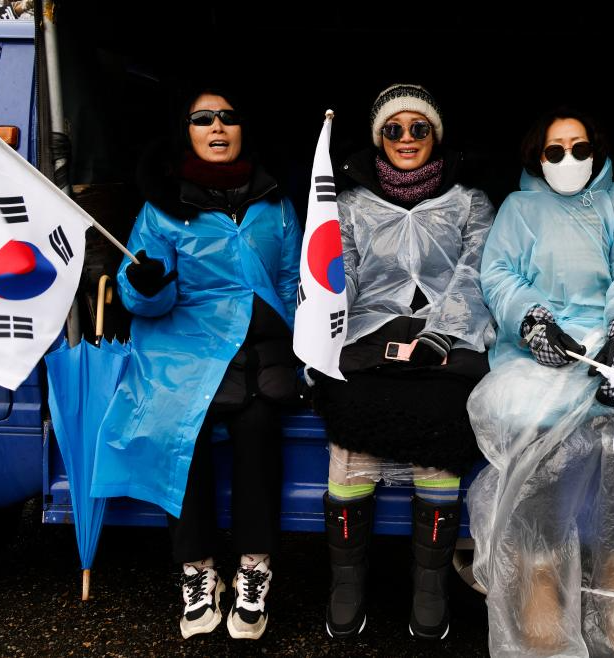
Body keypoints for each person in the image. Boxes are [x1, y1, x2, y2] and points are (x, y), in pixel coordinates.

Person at [466, 107, 614, 657]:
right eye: (555, 150)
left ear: (596, 151)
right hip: (541, 351)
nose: (568, 158)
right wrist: (534, 322)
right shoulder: (518, 208)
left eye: (579, 148)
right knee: (534, 435)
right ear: (537, 157)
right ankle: (539, 580)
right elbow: (499, 274)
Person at [95, 86, 301, 640]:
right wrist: (145, 285)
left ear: (243, 128)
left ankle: (254, 568)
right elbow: (143, 295)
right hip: (184, 346)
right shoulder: (161, 207)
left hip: (259, 346)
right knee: (178, 428)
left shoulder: (276, 203)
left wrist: (303, 346)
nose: (216, 127)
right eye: (202, 118)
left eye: (227, 117)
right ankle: (197, 569)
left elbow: (290, 283)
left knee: (260, 424)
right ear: (184, 131)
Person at [309, 84, 495, 640]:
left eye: (419, 128)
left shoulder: (469, 201)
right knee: (349, 411)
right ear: (379, 138)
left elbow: (477, 272)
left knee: (443, 413)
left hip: (447, 339)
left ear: (435, 135)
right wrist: (322, 330)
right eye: (394, 129)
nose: (406, 138)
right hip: (369, 335)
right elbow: (336, 275)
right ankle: (346, 581)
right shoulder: (349, 205)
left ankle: (430, 584)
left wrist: (445, 333)